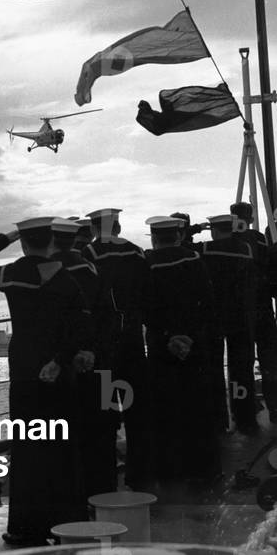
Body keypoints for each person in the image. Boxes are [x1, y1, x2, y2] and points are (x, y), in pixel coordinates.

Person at [0, 218, 90, 546]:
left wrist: (5, 236)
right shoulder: (65, 279)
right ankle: (67, 521)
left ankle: (26, 525)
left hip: (23, 370)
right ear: (51, 242)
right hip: (59, 374)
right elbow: (79, 326)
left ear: (23, 244)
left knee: (27, 448)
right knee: (63, 447)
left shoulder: (12, 276)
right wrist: (59, 361)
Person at [143, 216, 221, 500]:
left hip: (161, 348)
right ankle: (204, 471)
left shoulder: (147, 264)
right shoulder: (194, 261)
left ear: (154, 238)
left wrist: (167, 337)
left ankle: (169, 471)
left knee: (165, 412)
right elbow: (207, 302)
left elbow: (145, 307)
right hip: (195, 345)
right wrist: (188, 337)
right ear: (177, 236)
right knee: (199, 409)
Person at [82, 207, 152, 491]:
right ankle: (141, 475)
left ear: (94, 228)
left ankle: (105, 479)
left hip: (105, 345)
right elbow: (148, 290)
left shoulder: (89, 255)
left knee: (105, 415)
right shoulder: (137, 252)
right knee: (138, 412)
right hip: (135, 340)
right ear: (119, 227)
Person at [52, 218, 113, 498]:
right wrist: (93, 350)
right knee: (101, 426)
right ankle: (102, 487)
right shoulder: (95, 271)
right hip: (97, 358)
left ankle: (68, 490)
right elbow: (105, 316)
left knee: (65, 428)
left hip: (61, 361)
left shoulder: (48, 273)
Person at [198, 214, 258, 434]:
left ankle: (218, 419)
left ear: (213, 230)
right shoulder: (245, 249)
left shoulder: (206, 249)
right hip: (241, 316)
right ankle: (246, 418)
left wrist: (194, 229)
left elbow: (180, 246)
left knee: (214, 369)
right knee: (242, 370)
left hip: (214, 317)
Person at [231, 201, 277, 426]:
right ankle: (275, 408)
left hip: (238, 312)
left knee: (241, 364)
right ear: (250, 218)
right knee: (269, 360)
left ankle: (245, 412)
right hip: (262, 308)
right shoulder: (259, 239)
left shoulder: (227, 242)